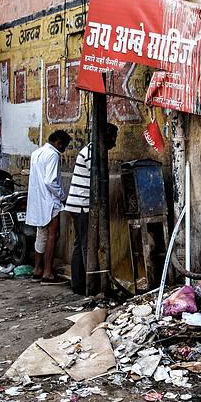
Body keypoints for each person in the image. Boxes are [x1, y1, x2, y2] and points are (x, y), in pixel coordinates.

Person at [63, 124, 118, 296]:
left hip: (77, 204)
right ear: (105, 137)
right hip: (81, 205)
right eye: (113, 138)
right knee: (87, 245)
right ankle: (91, 285)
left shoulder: (90, 151)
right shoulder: (92, 154)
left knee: (80, 244)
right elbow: (99, 181)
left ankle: (79, 284)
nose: (114, 143)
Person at [26, 130, 71, 283]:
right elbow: (50, 181)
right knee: (53, 235)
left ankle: (37, 269)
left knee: (41, 235)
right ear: (59, 143)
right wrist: (63, 196)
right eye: (64, 146)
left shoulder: (36, 153)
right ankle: (47, 272)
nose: (64, 150)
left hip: (38, 201)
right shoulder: (53, 154)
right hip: (50, 201)